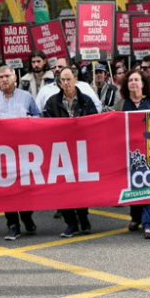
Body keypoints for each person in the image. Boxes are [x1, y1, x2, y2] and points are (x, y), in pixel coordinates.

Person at [0, 65, 41, 240]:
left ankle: (27, 216)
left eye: (7, 76)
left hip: (24, 151)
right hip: (1, 152)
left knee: (25, 187)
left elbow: (38, 116)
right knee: (7, 189)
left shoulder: (27, 97)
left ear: (14, 78)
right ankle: (12, 224)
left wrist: (31, 120)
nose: (4, 80)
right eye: (1, 77)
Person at [43, 67, 99, 237]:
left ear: (76, 80)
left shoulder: (86, 101)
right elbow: (45, 125)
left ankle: (83, 217)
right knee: (62, 188)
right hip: (59, 152)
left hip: (81, 150)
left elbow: (95, 122)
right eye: (63, 80)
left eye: (69, 79)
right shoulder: (52, 102)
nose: (66, 83)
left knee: (81, 187)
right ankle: (71, 223)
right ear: (59, 83)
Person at [113, 68, 150, 238]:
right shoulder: (120, 104)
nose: (133, 82)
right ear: (126, 85)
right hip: (128, 152)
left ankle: (149, 225)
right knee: (132, 184)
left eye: (137, 80)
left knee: (149, 186)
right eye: (130, 80)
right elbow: (112, 125)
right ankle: (136, 217)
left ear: (143, 84)